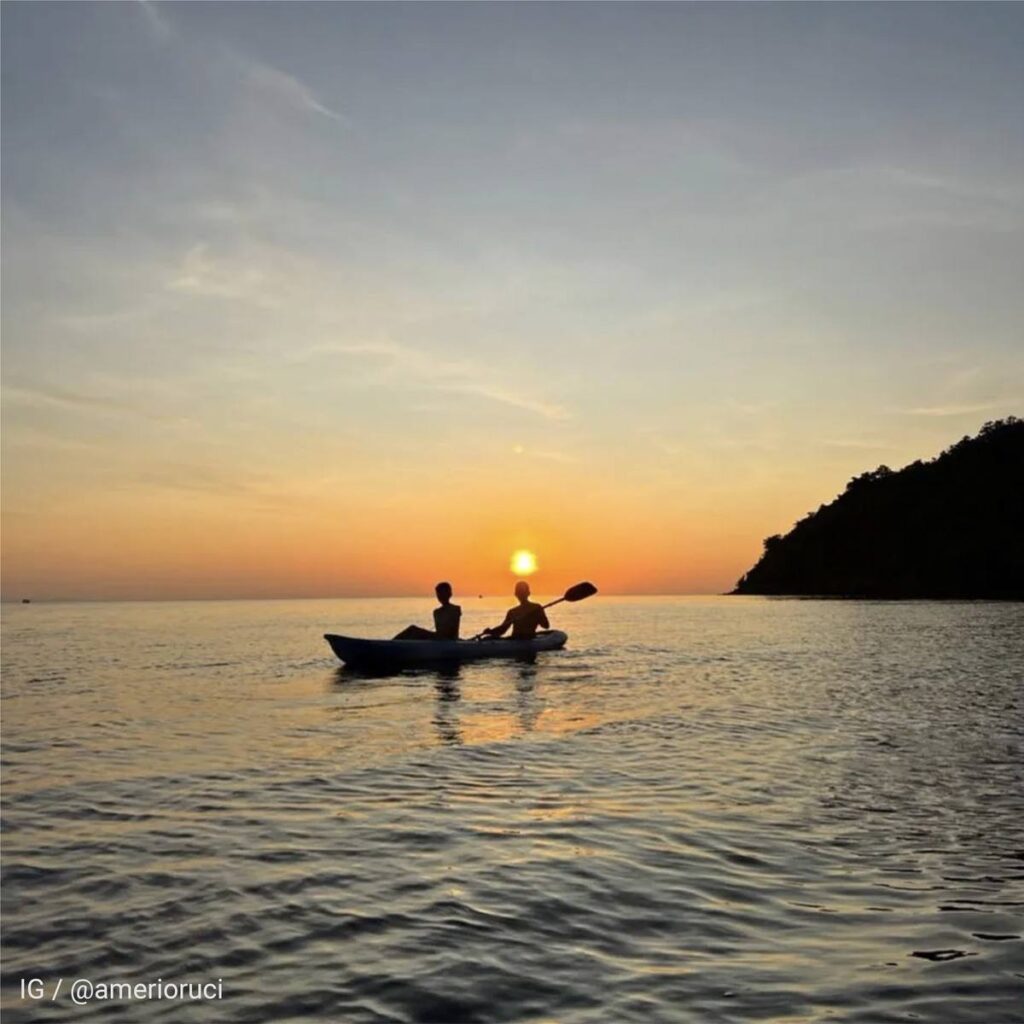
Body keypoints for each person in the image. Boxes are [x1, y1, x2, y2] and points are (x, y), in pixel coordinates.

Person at [393, 582, 461, 641]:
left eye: (442, 593)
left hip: (447, 640)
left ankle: (392, 643)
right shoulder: (437, 612)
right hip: (439, 639)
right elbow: (439, 630)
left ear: (449, 594)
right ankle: (393, 642)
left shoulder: (456, 609)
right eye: (438, 594)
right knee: (412, 630)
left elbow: (451, 631)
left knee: (413, 629)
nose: (440, 596)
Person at [483, 581, 549, 640]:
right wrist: (490, 631)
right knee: (487, 639)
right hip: (515, 639)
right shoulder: (513, 612)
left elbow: (546, 626)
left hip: (527, 638)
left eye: (523, 592)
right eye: (520, 592)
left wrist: (537, 615)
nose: (522, 595)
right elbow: (502, 630)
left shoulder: (536, 608)